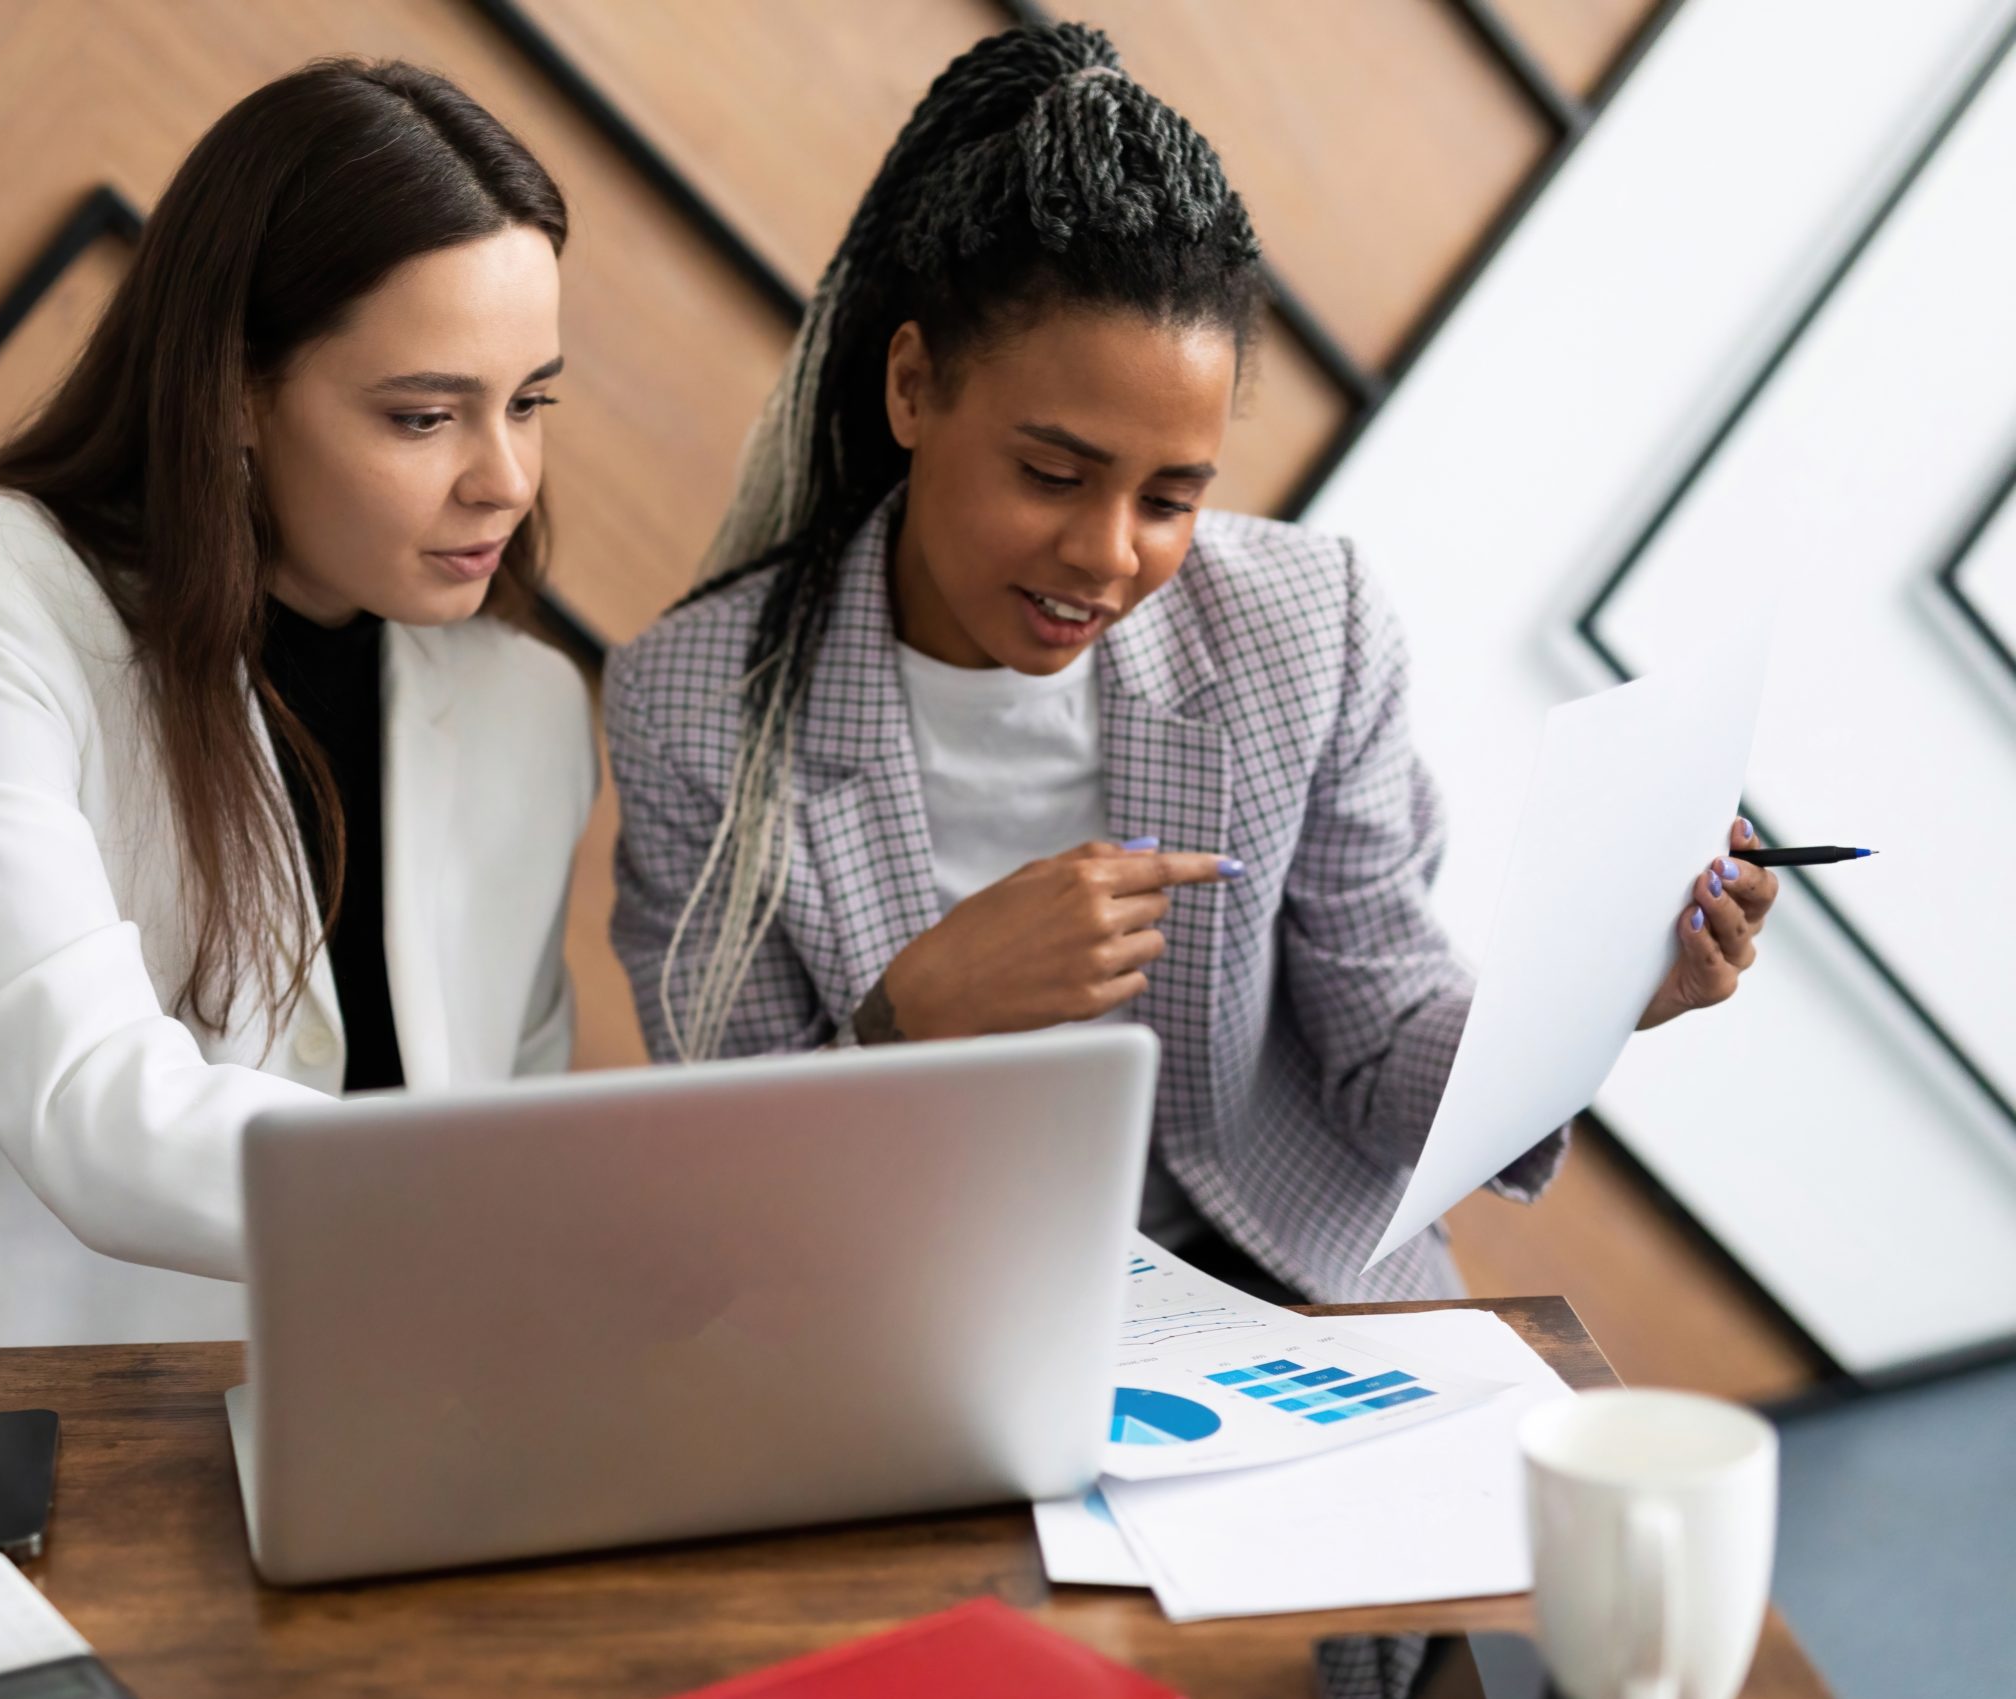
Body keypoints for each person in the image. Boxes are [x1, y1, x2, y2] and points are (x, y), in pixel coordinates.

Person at [604, 22, 1778, 1304]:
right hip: (919, 1298)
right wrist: (918, 1008)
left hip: (1289, 1281)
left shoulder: (1301, 626)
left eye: (1170, 497)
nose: (1105, 555)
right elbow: (731, 1185)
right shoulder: (698, 706)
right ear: (910, 387)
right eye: (1051, 474)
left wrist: (1602, 999)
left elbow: (1380, 1049)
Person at [0, 59, 594, 1349]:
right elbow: (88, 1097)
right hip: (27, 1416)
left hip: (395, 1399)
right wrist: (531, 1209)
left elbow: (509, 1102)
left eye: (531, 402)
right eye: (426, 414)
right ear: (231, 389)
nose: (503, 477)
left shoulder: (528, 704)